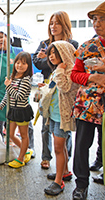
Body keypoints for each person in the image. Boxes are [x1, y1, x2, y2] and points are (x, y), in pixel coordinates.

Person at [32, 11, 78, 169]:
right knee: (46, 125)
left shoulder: (73, 44)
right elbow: (37, 62)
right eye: (51, 23)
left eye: (57, 23)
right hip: (47, 86)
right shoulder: (45, 43)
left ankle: (65, 160)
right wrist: (53, 63)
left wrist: (48, 61)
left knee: (64, 126)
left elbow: (72, 65)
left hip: (66, 88)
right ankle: (46, 156)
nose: (53, 26)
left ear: (64, 24)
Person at [71, 2, 105, 199]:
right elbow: (75, 74)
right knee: (82, 144)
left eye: (102, 18)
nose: (97, 23)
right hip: (87, 104)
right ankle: (81, 184)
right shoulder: (86, 46)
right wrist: (92, 77)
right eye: (95, 19)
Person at [0, 30, 35, 158]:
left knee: (24, 126)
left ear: (9, 38)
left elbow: (28, 68)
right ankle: (0, 150)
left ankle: (29, 148)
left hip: (18, 95)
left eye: (2, 37)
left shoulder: (18, 51)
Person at [40, 41, 79, 196]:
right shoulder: (58, 69)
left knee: (57, 148)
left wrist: (60, 72)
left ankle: (58, 181)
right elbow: (54, 89)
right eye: (50, 53)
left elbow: (65, 87)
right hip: (55, 114)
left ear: (65, 52)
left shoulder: (68, 70)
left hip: (63, 116)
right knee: (61, 147)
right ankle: (65, 171)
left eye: (56, 52)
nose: (52, 56)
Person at [0, 52, 34, 168]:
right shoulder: (13, 78)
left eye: (23, 63)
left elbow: (19, 96)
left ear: (28, 66)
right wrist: (1, 106)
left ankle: (21, 158)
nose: (20, 65)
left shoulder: (26, 80)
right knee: (10, 134)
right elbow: (8, 95)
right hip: (12, 110)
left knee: (24, 135)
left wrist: (8, 86)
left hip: (22, 111)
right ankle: (25, 150)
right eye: (18, 62)